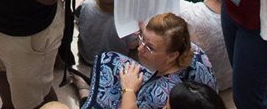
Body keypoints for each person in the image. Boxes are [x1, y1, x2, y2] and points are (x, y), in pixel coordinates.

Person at [84, 12, 217, 108]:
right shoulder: (195, 52)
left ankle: (84, 94)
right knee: (110, 60)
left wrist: (129, 91)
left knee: (107, 62)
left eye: (150, 47)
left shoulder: (157, 97)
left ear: (172, 55)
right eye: (142, 38)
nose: (140, 48)